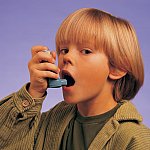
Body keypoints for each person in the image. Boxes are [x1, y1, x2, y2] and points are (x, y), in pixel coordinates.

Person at [0, 8, 150, 150]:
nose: (67, 57)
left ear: (117, 68)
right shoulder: (51, 122)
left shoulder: (134, 139)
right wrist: (33, 92)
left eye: (85, 51)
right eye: (64, 50)